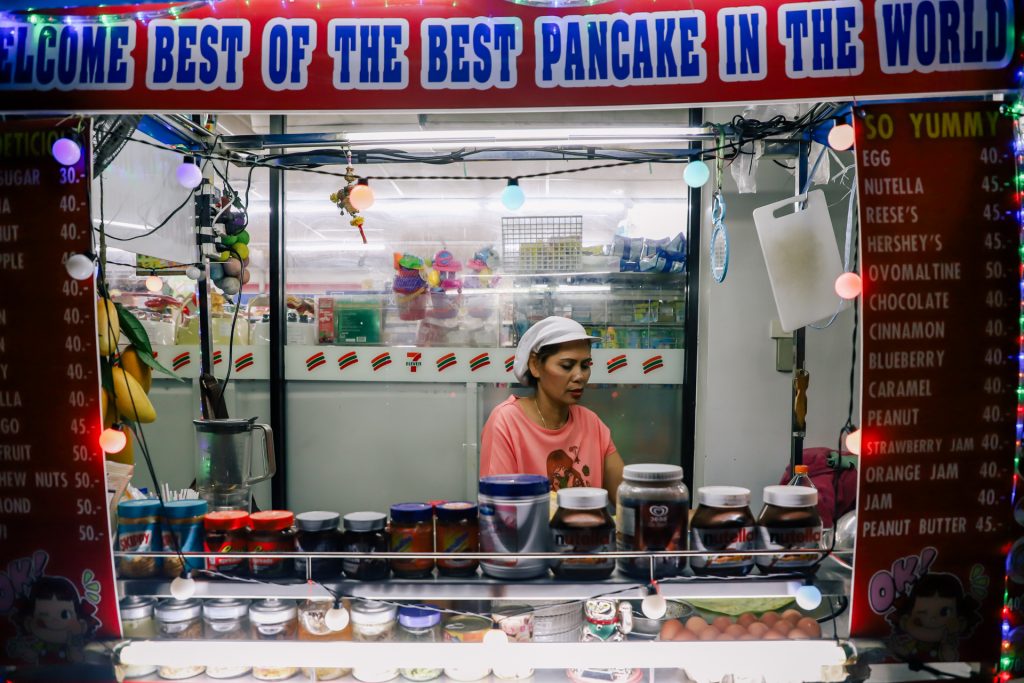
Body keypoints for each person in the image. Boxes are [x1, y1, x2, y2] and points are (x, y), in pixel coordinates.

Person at [480, 316, 626, 503]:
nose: (580, 376)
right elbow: (500, 511)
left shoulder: (591, 424)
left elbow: (626, 497)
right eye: (567, 366)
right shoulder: (506, 422)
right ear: (535, 365)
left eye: (585, 365)